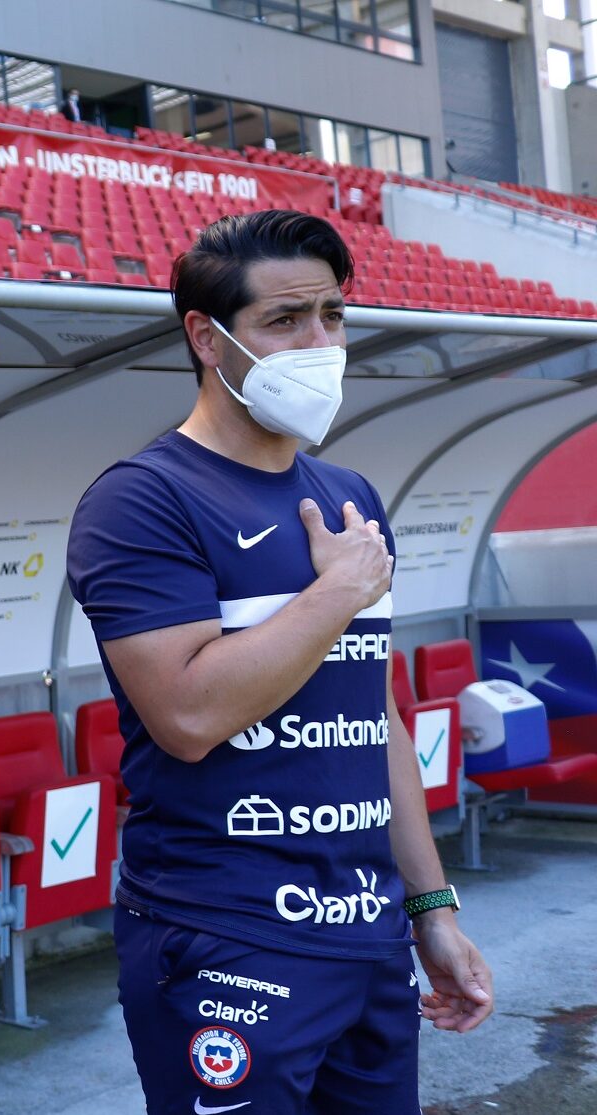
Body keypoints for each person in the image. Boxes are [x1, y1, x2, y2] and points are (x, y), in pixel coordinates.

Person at [66, 209, 494, 1115]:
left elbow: (376, 719)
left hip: (368, 935)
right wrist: (333, 593)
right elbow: (185, 715)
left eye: (333, 316)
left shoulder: (349, 496)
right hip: (226, 940)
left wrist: (433, 912)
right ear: (205, 338)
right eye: (284, 320)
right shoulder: (142, 500)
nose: (319, 341)